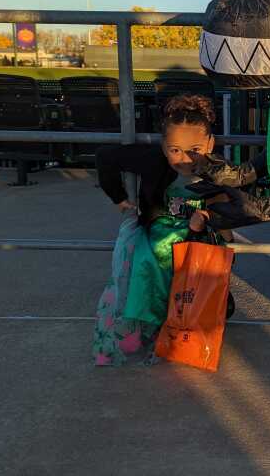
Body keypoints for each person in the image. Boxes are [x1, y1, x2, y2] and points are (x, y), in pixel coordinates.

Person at [91, 94, 232, 366]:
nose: (184, 159)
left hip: (198, 236)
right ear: (163, 146)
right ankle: (148, 325)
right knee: (150, 253)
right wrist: (118, 197)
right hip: (157, 231)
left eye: (195, 149)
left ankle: (178, 324)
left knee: (182, 261)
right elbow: (105, 156)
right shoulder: (153, 160)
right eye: (174, 150)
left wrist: (208, 217)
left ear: (210, 144)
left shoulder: (218, 171)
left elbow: (228, 207)